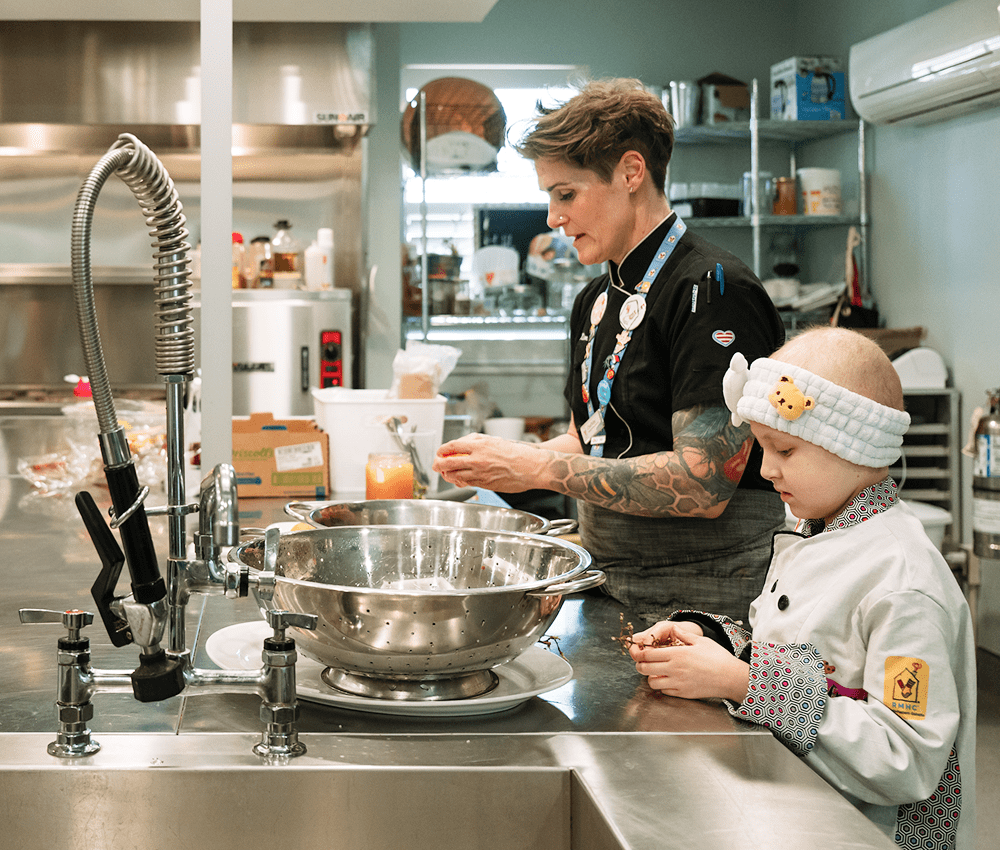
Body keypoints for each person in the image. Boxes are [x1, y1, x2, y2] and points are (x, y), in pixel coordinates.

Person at [434, 78, 785, 625]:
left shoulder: (712, 289)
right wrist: (500, 466)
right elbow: (594, 437)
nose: (552, 218)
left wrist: (536, 466)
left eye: (565, 194)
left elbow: (704, 483)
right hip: (611, 577)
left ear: (630, 172)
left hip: (711, 593)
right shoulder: (595, 299)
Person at [628, 327, 977, 850]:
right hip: (800, 810)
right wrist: (713, 642)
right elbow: (801, 654)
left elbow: (904, 760)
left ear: (854, 446)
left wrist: (745, 683)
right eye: (763, 448)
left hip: (869, 833)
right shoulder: (817, 529)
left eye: (785, 450)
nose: (767, 469)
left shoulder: (904, 584)